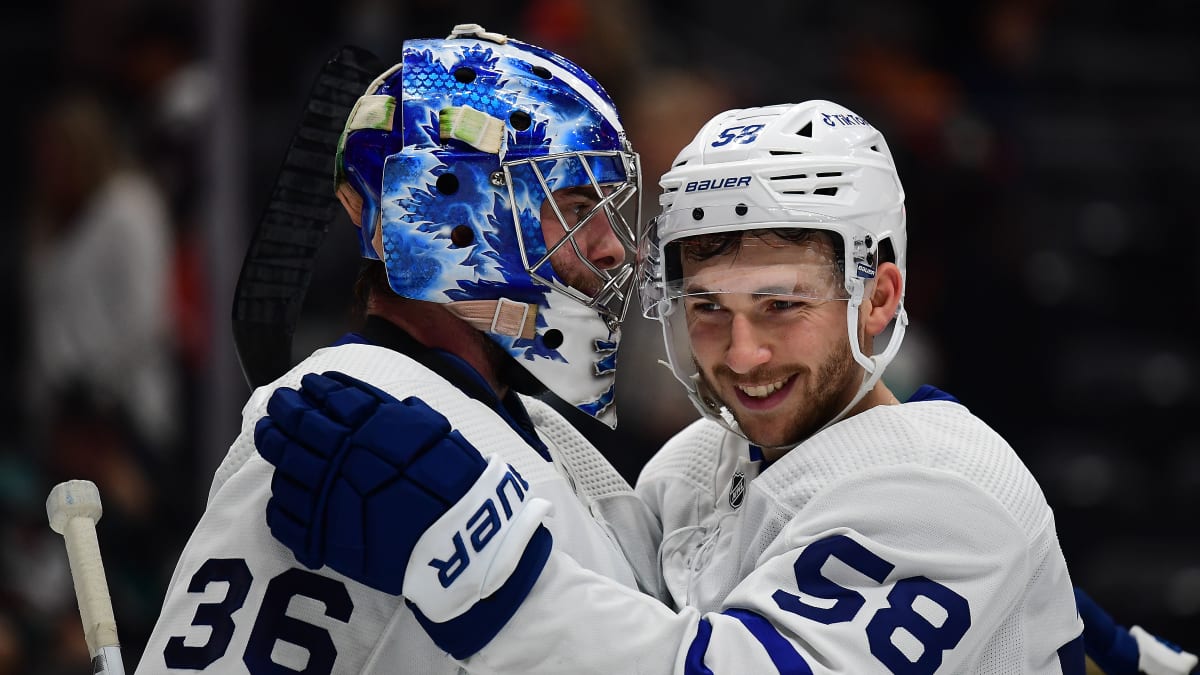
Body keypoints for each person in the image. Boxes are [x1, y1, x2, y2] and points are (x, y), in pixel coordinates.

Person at [256, 98, 1189, 674]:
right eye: (707, 307)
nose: (740, 357)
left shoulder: (944, 489)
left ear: (880, 295)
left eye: (780, 306)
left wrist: (472, 553)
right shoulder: (699, 462)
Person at [134, 23, 663, 674]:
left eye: (607, 207)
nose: (611, 245)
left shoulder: (544, 430)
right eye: (576, 206)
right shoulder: (344, 424)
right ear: (445, 213)